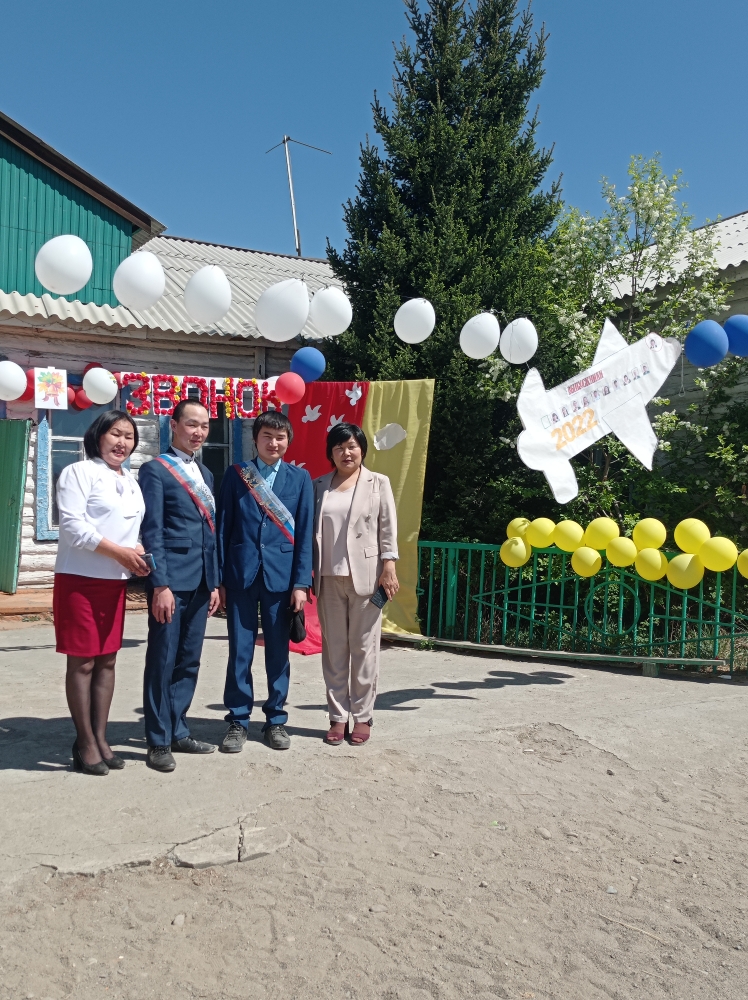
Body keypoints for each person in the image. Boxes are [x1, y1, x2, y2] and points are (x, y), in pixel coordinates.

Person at [54, 410, 149, 776]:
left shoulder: (130, 481)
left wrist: (136, 550)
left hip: (114, 581)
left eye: (129, 436)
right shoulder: (78, 472)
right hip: (80, 578)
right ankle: (84, 743)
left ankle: (100, 736)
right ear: (98, 436)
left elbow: (129, 529)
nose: (122, 442)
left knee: (107, 660)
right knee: (83, 662)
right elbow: (73, 527)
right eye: (115, 434)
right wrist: (120, 553)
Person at [217, 410, 313, 752]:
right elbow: (223, 528)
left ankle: (275, 719)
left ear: (288, 441)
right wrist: (220, 579)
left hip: (282, 579)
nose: (274, 443)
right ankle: (238, 719)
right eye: (267, 436)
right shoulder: (237, 475)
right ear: (255, 439)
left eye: (280, 437)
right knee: (239, 652)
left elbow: (304, 533)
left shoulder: (300, 479)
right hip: (240, 575)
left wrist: (301, 583)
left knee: (278, 652)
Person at [139, 399, 221, 772]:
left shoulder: (205, 473)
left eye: (204, 425)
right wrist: (159, 585)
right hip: (171, 583)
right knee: (163, 659)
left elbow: (209, 534)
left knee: (189, 659)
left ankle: (179, 730)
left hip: (202, 582)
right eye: (191, 424)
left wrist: (214, 582)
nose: (198, 432)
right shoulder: (155, 470)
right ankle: (157, 740)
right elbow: (152, 531)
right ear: (173, 425)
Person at [313, 422, 399, 746]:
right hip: (327, 578)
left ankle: (362, 716)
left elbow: (387, 527)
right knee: (335, 650)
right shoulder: (319, 485)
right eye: (339, 447)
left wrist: (389, 566)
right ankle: (338, 717)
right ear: (331, 452)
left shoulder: (378, 483)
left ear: (362, 449)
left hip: (367, 577)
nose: (346, 452)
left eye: (351, 446)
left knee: (364, 649)